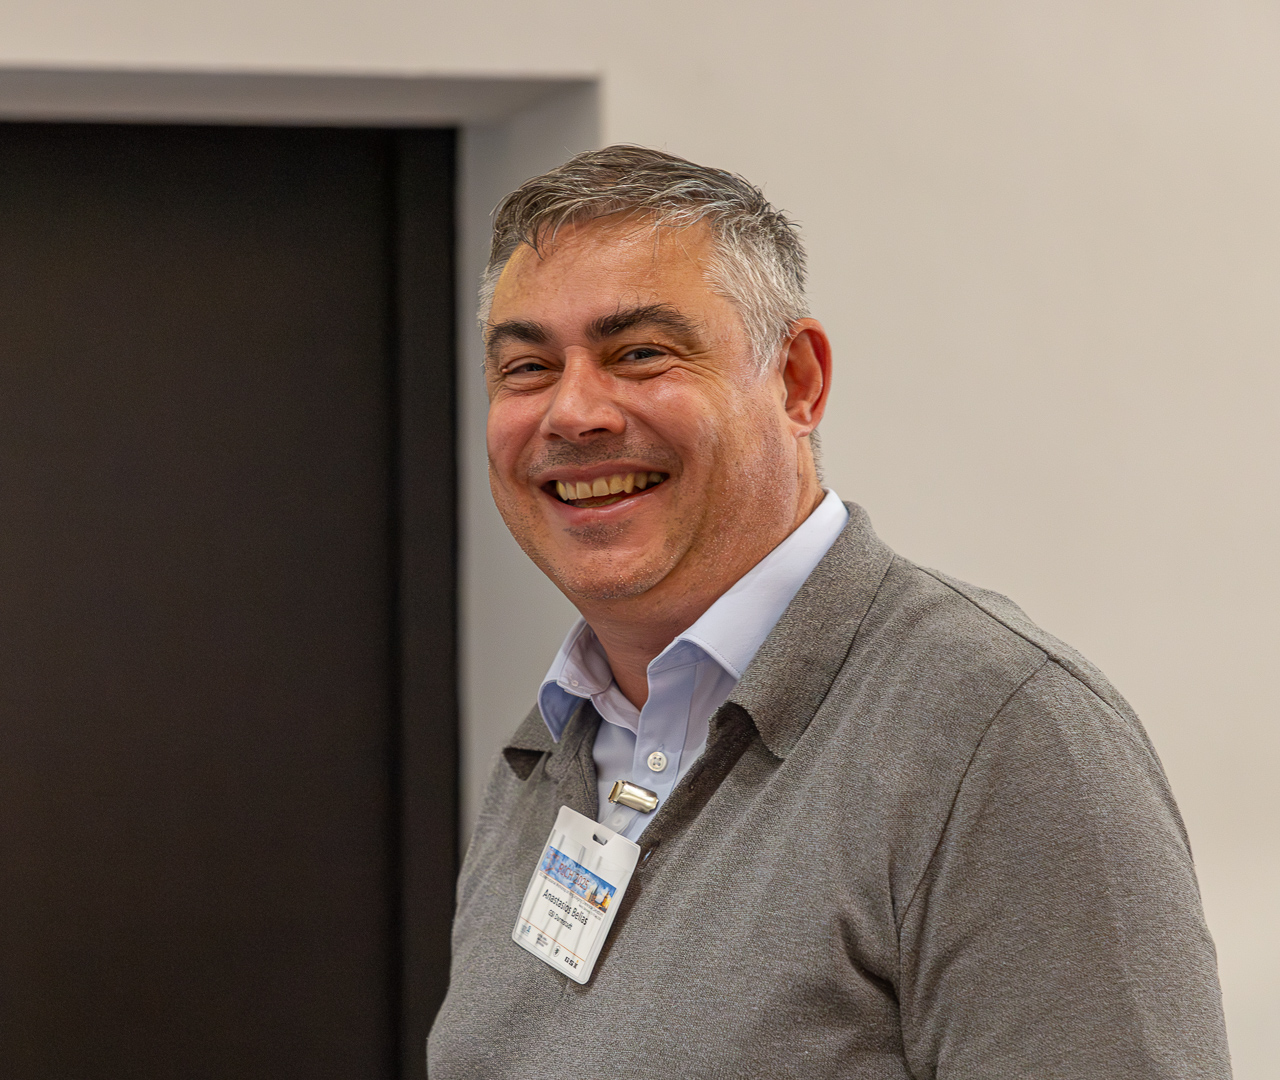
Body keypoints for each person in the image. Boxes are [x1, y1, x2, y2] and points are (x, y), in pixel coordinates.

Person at [428, 146, 1231, 1078]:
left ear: (798, 381)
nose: (573, 412)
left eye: (639, 354)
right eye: (527, 367)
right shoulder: (556, 744)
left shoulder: (1003, 738)